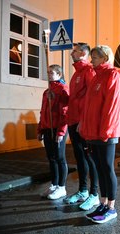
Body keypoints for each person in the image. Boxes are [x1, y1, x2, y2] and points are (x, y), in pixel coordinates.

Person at [80, 45, 120, 224]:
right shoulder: (95, 77)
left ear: (105, 58)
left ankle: (111, 208)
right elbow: (88, 107)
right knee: (99, 168)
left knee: (107, 168)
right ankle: (103, 203)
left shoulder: (113, 75)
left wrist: (106, 131)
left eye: (95, 58)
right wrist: (84, 126)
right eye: (92, 57)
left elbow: (113, 106)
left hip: (106, 132)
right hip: (94, 132)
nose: (92, 61)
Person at [64, 43, 99, 210]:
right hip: (73, 120)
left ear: (84, 54)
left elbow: (92, 99)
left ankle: (94, 194)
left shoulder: (88, 71)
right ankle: (83, 190)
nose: (72, 53)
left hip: (82, 122)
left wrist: (85, 120)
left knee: (89, 158)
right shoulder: (77, 73)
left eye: (75, 51)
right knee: (80, 158)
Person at [38, 64, 69, 200]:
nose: (49, 74)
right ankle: (54, 185)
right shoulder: (46, 92)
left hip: (58, 128)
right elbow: (43, 111)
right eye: (48, 72)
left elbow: (65, 112)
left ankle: (61, 187)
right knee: (51, 158)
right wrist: (40, 129)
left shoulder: (63, 89)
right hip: (47, 128)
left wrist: (61, 131)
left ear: (59, 75)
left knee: (59, 157)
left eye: (52, 72)